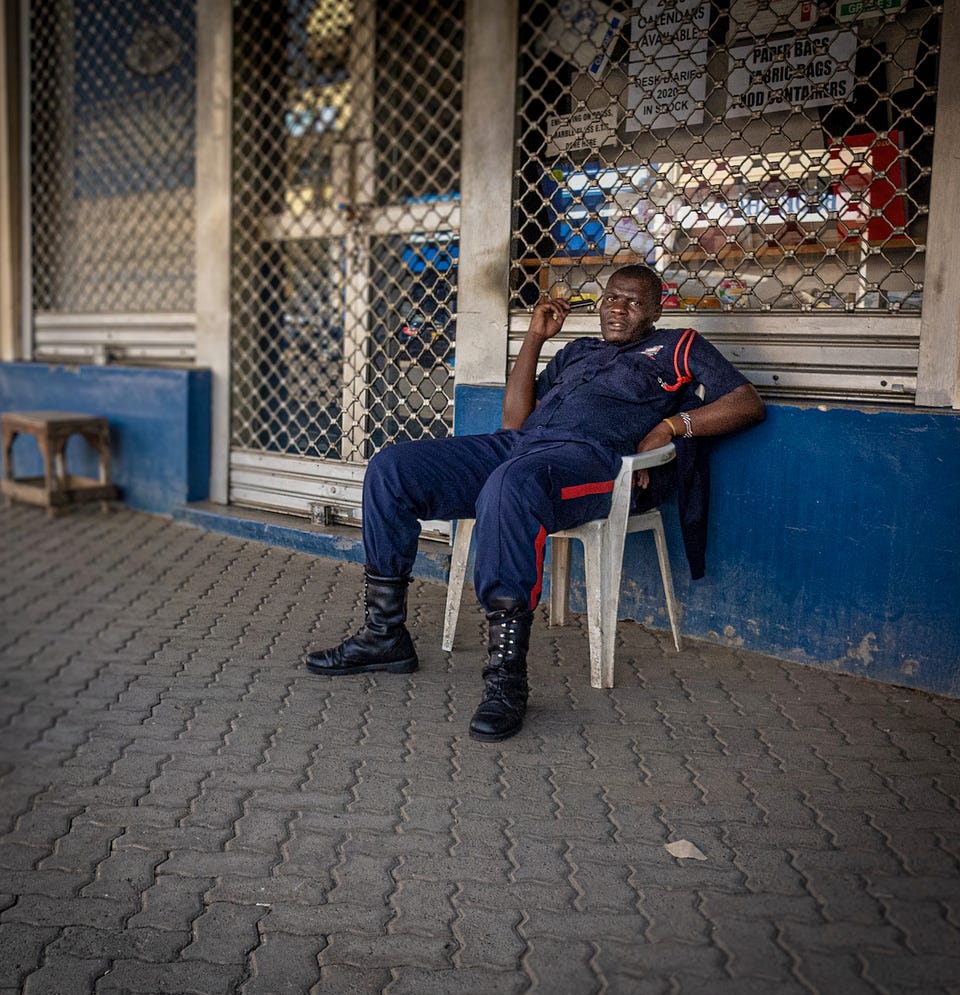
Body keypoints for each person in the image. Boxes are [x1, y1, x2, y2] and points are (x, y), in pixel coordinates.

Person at [305, 264, 765, 742]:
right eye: (612, 298)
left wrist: (672, 427)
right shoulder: (578, 352)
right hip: (520, 449)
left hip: (587, 462)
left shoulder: (678, 346)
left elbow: (747, 403)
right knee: (391, 469)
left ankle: (506, 679)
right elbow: (514, 420)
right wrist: (535, 338)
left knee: (512, 485)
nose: (618, 308)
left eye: (632, 302)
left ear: (655, 310)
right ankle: (385, 635)